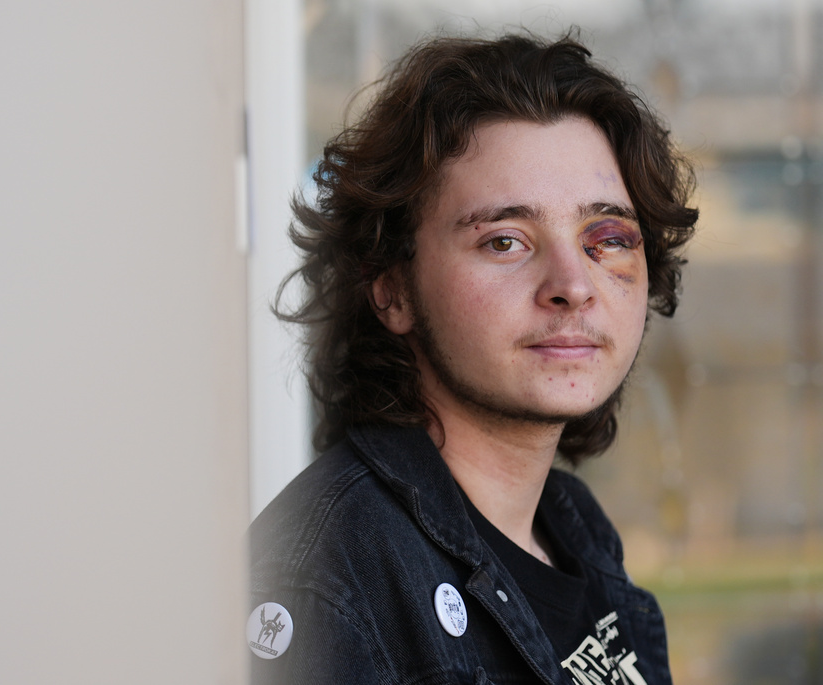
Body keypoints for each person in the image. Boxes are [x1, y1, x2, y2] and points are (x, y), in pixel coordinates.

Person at [246, 31, 698, 685]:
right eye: (506, 241)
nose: (572, 283)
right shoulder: (322, 579)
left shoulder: (574, 529)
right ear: (393, 288)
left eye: (606, 238)